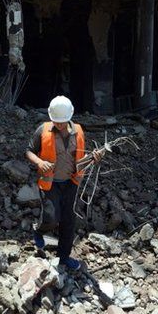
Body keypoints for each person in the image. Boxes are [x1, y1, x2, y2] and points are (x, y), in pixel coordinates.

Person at [25, 96, 102, 271]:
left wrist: (95, 158)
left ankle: (64, 257)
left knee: (68, 221)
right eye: (55, 122)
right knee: (52, 217)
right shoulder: (42, 130)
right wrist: (39, 162)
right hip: (50, 183)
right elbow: (29, 151)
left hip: (71, 183)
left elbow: (82, 159)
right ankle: (39, 230)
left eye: (62, 122)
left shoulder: (79, 132)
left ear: (69, 118)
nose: (58, 125)